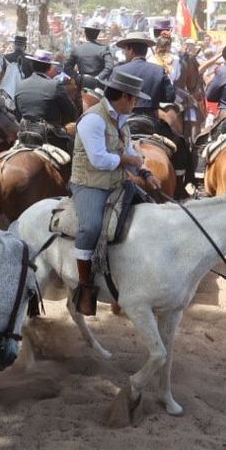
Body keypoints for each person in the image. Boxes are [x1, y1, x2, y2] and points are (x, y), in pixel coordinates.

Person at [69, 72, 150, 316]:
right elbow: (99, 159)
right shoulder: (93, 119)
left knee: (151, 210)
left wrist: (145, 173)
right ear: (125, 96)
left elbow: (127, 149)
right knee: (91, 227)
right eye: (135, 98)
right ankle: (84, 287)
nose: (136, 103)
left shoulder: (122, 119)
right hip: (89, 184)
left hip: (117, 182)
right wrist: (128, 159)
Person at [13, 49, 80, 149]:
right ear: (49, 67)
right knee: (74, 147)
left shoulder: (20, 84)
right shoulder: (54, 85)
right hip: (50, 136)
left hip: (24, 134)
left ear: (32, 65)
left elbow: (18, 114)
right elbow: (70, 112)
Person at [111, 32, 169, 119]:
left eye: (125, 50)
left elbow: (110, 97)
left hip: (124, 121)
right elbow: (169, 97)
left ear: (130, 50)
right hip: (151, 121)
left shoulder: (118, 70)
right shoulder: (159, 70)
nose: (124, 53)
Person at [64, 18, 115, 82]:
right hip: (98, 86)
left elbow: (66, 68)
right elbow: (109, 67)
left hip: (81, 84)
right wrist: (98, 78)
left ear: (85, 32)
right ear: (98, 33)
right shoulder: (104, 49)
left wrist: (78, 77)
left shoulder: (77, 49)